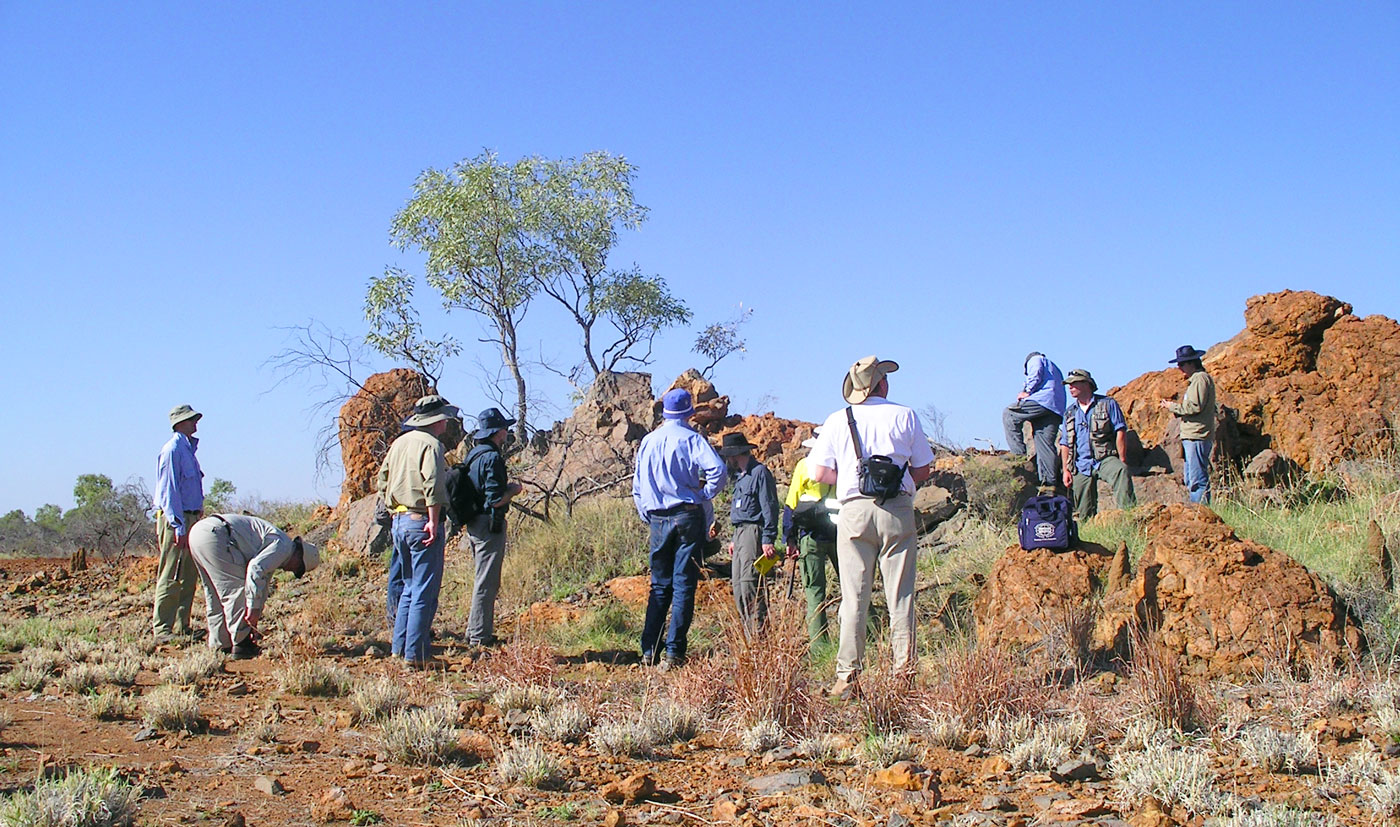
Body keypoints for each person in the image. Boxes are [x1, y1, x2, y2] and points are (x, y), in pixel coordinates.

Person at [808, 356, 935, 700]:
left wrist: (850, 479)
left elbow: (819, 474)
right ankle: (902, 675)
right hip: (896, 508)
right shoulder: (905, 415)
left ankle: (847, 677)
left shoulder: (838, 419)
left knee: (854, 597)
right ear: (882, 384)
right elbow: (923, 470)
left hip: (853, 512)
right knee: (901, 595)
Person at [632, 388, 727, 670]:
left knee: (659, 585)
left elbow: (638, 486)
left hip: (658, 518)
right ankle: (674, 653)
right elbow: (718, 471)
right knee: (684, 584)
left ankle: (649, 650)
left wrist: (647, 513)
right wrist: (702, 496)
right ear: (688, 413)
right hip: (687, 515)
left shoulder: (648, 441)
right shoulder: (691, 439)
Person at [377, 394, 457, 668]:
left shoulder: (399, 443)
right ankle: (416, 655)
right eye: (445, 416)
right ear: (436, 420)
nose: (448, 420)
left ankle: (399, 650)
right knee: (424, 589)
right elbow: (433, 483)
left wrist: (392, 508)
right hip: (422, 519)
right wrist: (434, 520)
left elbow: (382, 479)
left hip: (399, 521)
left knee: (409, 587)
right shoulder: (432, 445)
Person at [187, 513, 320, 658]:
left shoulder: (279, 544)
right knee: (235, 590)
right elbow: (255, 569)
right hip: (218, 535)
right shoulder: (283, 548)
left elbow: (260, 586)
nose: (292, 571)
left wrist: (253, 617)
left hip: (198, 533)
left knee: (214, 593)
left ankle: (221, 644)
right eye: (298, 569)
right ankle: (242, 644)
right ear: (299, 558)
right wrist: (253, 610)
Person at [464, 407, 523, 648]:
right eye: (504, 429)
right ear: (498, 432)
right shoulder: (492, 458)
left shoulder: (474, 455)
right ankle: (479, 637)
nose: (506, 433)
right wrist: (513, 490)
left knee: (482, 578)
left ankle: (475, 631)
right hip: (488, 524)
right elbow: (494, 499)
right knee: (487, 582)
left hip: (474, 523)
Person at [152, 404, 206, 644]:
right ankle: (162, 629)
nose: (195, 423)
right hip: (177, 518)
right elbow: (169, 491)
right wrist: (178, 526)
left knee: (188, 574)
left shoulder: (188, 449)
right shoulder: (172, 450)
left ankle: (182, 625)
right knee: (171, 573)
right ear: (180, 422)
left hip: (191, 517)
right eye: (191, 419)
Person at [782, 428, 839, 645]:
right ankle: (868, 636)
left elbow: (791, 503)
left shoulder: (804, 466)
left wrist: (789, 538)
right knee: (855, 588)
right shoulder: (841, 464)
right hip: (839, 532)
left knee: (815, 593)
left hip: (811, 535)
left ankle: (819, 646)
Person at [719, 432, 779, 633]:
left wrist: (768, 538)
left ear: (735, 455)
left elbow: (769, 506)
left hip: (754, 533)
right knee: (738, 587)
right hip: (740, 534)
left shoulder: (759, 473)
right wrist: (734, 539)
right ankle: (749, 637)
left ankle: (758, 639)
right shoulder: (741, 478)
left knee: (749, 585)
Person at [1058, 369, 1136, 521]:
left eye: (1074, 383)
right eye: (1069, 384)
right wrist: (1066, 470)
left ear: (1087, 384)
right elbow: (1065, 444)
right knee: (1084, 513)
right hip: (1081, 464)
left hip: (1105, 458)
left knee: (1121, 471)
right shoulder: (1069, 413)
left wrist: (1122, 458)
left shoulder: (1108, 404)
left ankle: (1130, 517)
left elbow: (1120, 431)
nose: (1070, 387)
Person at [1161, 345, 1217, 504]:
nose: (1179, 368)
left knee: (1197, 479)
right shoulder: (1198, 380)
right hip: (1193, 435)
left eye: (1182, 364)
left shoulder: (1200, 379)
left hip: (1197, 435)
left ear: (1192, 363)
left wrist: (1171, 407)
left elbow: (1194, 406)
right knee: (1192, 477)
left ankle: (1200, 513)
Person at [1002, 352, 1067, 489]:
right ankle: (1048, 482)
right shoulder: (1055, 369)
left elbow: (1035, 373)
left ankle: (1018, 457)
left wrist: (1027, 391)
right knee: (1045, 443)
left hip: (1042, 400)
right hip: (1055, 408)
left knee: (1010, 414)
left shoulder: (1036, 359)